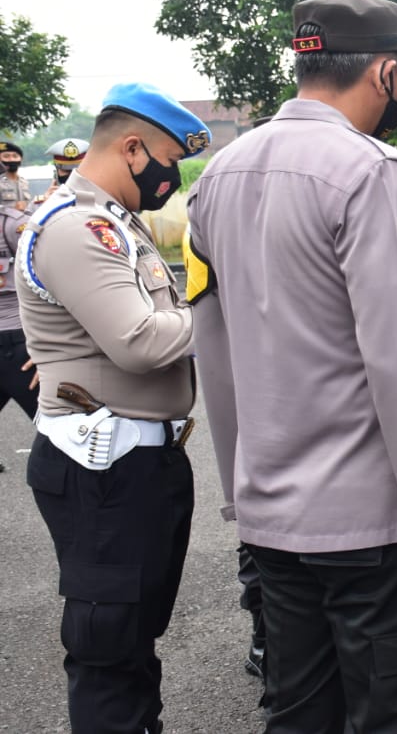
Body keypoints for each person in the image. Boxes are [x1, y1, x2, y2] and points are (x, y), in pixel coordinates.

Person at [186, 0, 397, 733]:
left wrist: (242, 493)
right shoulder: (367, 168)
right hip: (369, 525)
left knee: (300, 712)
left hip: (272, 517)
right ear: (385, 73)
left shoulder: (219, 173)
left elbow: (214, 346)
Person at [19, 82, 209, 734]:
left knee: (132, 639)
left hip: (136, 464)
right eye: (168, 160)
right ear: (132, 149)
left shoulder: (117, 222)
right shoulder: (79, 227)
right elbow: (138, 340)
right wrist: (224, 313)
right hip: (103, 470)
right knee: (107, 648)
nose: (171, 178)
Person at [0, 200, 37, 464]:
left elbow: (47, 281)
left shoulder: (13, 224)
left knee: (59, 426)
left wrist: (48, 344)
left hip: (18, 340)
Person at [34, 138, 90, 203]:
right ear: (56, 174)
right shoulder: (41, 202)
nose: (72, 175)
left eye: (76, 171)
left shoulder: (97, 199)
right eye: (66, 171)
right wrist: (47, 203)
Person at [0, 140, 31, 210]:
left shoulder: (24, 182)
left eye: (15, 156)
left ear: (21, 159)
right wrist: (13, 210)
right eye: (6, 156)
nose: (11, 159)